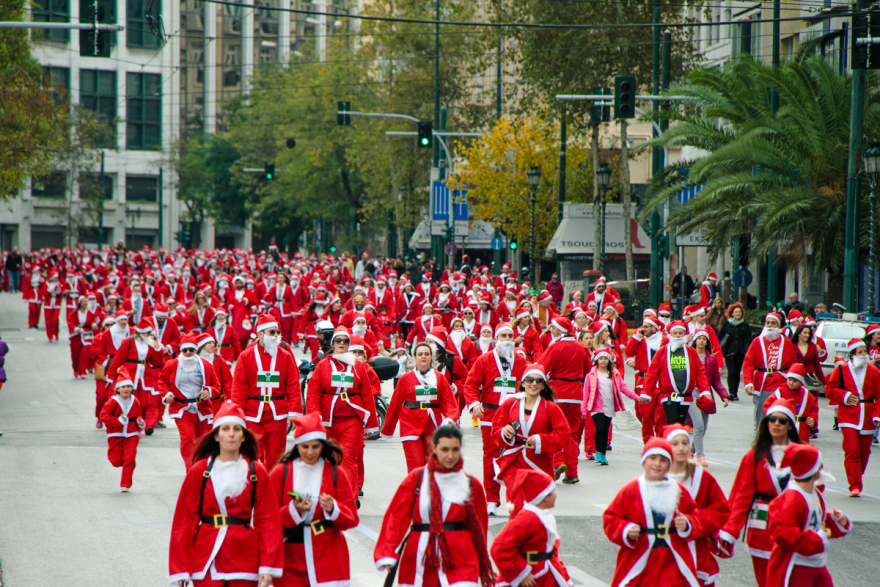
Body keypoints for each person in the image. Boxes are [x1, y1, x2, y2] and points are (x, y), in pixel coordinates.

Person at [168, 403, 284, 587]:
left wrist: (268, 566)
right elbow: (184, 521)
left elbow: (268, 521)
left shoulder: (256, 472)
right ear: (216, 434)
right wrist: (180, 569)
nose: (231, 434)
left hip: (245, 558)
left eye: (237, 429)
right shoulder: (200, 471)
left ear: (244, 435)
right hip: (206, 558)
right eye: (225, 428)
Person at [374, 425, 494, 587]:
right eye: (445, 449)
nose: (450, 455)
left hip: (461, 558)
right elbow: (396, 516)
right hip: (420, 557)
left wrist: (480, 558)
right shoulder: (417, 479)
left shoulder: (471, 484)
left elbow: (480, 527)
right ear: (434, 448)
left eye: (455, 449)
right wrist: (387, 551)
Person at [718, 399, 805, 587]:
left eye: (782, 421)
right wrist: (729, 531)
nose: (776, 424)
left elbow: (816, 492)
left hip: (795, 526)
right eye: (772, 419)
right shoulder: (754, 456)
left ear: (790, 425)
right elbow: (741, 496)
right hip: (762, 528)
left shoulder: (805, 454)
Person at [269, 413, 359, 587]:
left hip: (327, 557)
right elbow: (267, 520)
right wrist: (294, 510)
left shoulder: (335, 473)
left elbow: (352, 519)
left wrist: (334, 508)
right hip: (290, 558)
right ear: (297, 445)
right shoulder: (281, 473)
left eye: (316, 446)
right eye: (305, 446)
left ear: (323, 446)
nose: (310, 452)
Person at [602, 437, 702, 587]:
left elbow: (696, 516)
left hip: (671, 559)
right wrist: (626, 530)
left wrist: (687, 524)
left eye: (663, 460)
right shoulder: (631, 490)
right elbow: (610, 518)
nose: (657, 464)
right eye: (653, 458)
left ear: (669, 464)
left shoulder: (679, 491)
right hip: (641, 556)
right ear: (644, 461)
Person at [306, 326, 379, 497]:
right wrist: (313, 417)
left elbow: (367, 395)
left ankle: (349, 497)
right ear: (333, 343)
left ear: (348, 344)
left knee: (348, 459)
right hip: (327, 420)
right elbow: (313, 393)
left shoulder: (358, 366)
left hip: (351, 419)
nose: (341, 343)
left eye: (345, 341)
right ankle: (328, 494)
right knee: (329, 458)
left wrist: (370, 425)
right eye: (338, 341)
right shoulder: (323, 366)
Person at [463, 323, 527, 515]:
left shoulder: (522, 361)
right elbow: (471, 384)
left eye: (510, 336)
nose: (507, 339)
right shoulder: (484, 359)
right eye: (503, 336)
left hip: (514, 417)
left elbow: (530, 385)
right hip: (490, 416)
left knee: (514, 457)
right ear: (496, 339)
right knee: (491, 457)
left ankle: (514, 498)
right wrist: (474, 404)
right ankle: (491, 499)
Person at [766, 444, 850, 587]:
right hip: (796, 568)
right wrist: (818, 539)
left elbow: (816, 522)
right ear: (815, 472)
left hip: (817, 564)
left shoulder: (815, 494)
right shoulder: (791, 498)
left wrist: (836, 522)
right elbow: (782, 532)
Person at [232, 314, 303, 467]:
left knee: (276, 459)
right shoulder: (246, 356)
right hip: (252, 414)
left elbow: (293, 386)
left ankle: (273, 489)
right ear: (260, 334)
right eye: (272, 332)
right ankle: (255, 488)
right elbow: (238, 388)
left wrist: (294, 413)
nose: (276, 335)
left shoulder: (285, 356)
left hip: (277, 414)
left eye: (277, 332)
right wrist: (237, 415)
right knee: (252, 458)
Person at [664, 424, 730, 587]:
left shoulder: (702, 477)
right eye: (675, 443)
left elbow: (721, 510)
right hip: (664, 552)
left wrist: (693, 522)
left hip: (697, 552)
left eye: (685, 443)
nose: (681, 448)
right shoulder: (658, 478)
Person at [493, 364, 570, 498]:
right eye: (530, 380)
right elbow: (496, 427)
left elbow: (564, 434)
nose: (534, 383)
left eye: (538, 380)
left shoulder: (550, 408)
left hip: (539, 461)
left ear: (543, 385)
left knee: (534, 505)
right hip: (513, 460)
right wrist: (503, 432)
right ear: (523, 383)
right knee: (516, 500)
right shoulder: (509, 404)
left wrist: (540, 440)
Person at [381, 342, 460, 470]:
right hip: (410, 424)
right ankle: (417, 490)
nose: (423, 357)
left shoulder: (439, 378)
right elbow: (395, 405)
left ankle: (430, 490)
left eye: (426, 354)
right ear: (415, 357)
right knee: (416, 466)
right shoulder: (405, 379)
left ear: (431, 357)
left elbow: (449, 402)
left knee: (432, 465)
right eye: (420, 354)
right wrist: (388, 428)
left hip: (433, 425)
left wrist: (450, 419)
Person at [490, 469, 573, 587]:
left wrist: (563, 574)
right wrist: (521, 573)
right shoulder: (526, 518)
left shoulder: (544, 516)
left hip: (545, 574)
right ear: (545, 496)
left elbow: (551, 551)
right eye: (552, 491)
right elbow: (500, 547)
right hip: (531, 578)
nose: (556, 495)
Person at [824, 338, 880, 497]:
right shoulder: (841, 370)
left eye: (865, 351)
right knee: (852, 450)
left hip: (868, 416)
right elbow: (830, 389)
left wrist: (877, 415)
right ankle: (855, 485)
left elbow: (879, 395)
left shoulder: (874, 371)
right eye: (860, 352)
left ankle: (856, 475)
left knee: (864, 453)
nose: (864, 354)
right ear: (852, 354)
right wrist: (845, 396)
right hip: (848, 415)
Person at [538, 317, 590, 483]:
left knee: (553, 430)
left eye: (553, 328)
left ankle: (558, 462)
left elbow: (541, 369)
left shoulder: (555, 347)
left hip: (557, 394)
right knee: (572, 435)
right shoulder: (582, 347)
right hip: (576, 394)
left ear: (560, 330)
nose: (551, 331)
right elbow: (588, 370)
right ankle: (572, 473)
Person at [158, 333, 221, 469]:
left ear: (196, 350)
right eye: (184, 350)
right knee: (188, 439)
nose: (187, 353)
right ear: (180, 350)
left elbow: (217, 386)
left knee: (202, 442)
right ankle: (191, 470)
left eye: (191, 350)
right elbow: (162, 380)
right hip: (182, 408)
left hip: (202, 408)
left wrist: (209, 391)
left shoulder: (205, 365)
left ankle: (202, 469)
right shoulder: (172, 364)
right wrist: (167, 394)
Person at [643, 321, 711, 427]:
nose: (678, 336)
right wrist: (646, 393)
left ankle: (674, 443)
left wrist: (705, 391)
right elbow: (652, 373)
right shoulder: (662, 351)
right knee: (672, 422)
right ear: (670, 335)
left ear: (684, 334)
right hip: (668, 395)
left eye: (680, 333)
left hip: (686, 396)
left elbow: (700, 372)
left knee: (680, 424)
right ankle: (670, 442)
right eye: (675, 333)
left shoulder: (691, 351)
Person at [106, 319, 167, 434]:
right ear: (141, 333)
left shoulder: (150, 344)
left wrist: (158, 349)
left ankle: (139, 424)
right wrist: (110, 376)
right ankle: (132, 428)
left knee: (143, 404)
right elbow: (118, 359)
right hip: (130, 375)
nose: (149, 335)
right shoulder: (128, 342)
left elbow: (156, 362)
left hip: (145, 377)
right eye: (147, 333)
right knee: (131, 402)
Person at [582, 349, 641, 466]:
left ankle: (603, 455)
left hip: (609, 406)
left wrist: (637, 398)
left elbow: (624, 388)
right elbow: (586, 393)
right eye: (601, 358)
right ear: (596, 360)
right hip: (596, 406)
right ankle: (598, 453)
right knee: (599, 428)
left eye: (605, 359)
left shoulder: (614, 374)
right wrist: (583, 409)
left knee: (605, 430)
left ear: (609, 361)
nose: (603, 361)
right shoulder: (591, 375)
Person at [743, 312, 797, 431]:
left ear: (778, 326)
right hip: (762, 384)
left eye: (773, 323)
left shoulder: (786, 342)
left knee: (780, 415)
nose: (770, 325)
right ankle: (760, 442)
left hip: (781, 383)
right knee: (761, 416)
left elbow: (793, 364)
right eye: (767, 323)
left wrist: (793, 381)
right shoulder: (757, 341)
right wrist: (748, 383)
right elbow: (748, 363)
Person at [99, 367, 145, 492]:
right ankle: (122, 464)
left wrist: (140, 422)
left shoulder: (135, 401)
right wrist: (117, 422)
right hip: (115, 434)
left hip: (132, 434)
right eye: (123, 387)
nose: (126, 389)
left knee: (129, 459)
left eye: (129, 386)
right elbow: (104, 416)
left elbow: (138, 415)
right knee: (116, 460)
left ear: (132, 388)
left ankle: (126, 484)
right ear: (117, 389)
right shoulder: (112, 402)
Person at [626, 315, 668, 442]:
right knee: (647, 416)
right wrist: (635, 337)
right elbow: (629, 351)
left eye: (646, 326)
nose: (642, 328)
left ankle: (660, 442)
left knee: (662, 416)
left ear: (654, 328)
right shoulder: (640, 340)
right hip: (645, 383)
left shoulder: (665, 340)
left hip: (661, 382)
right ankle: (648, 442)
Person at [691, 328, 728, 467]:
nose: (701, 341)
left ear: (707, 342)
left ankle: (690, 451)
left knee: (703, 429)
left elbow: (716, 381)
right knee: (698, 426)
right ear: (695, 341)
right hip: (692, 394)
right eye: (699, 338)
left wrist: (724, 395)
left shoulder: (711, 359)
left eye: (704, 339)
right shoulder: (689, 355)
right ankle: (700, 456)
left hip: (706, 395)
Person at [762, 364, 818, 443]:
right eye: (789, 380)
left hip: (801, 429)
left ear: (801, 382)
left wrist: (813, 418)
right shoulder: (780, 392)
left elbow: (814, 407)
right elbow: (767, 405)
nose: (791, 383)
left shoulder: (806, 394)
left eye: (795, 381)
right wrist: (774, 417)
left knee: (800, 450)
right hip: (783, 425)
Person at [719, 302, 752, 401]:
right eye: (736, 312)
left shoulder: (745, 325)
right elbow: (720, 336)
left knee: (737, 372)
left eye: (739, 312)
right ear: (732, 313)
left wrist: (747, 350)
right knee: (731, 372)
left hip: (740, 352)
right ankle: (731, 393)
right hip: (729, 352)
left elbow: (748, 339)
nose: (738, 314)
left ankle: (735, 393)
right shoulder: (727, 324)